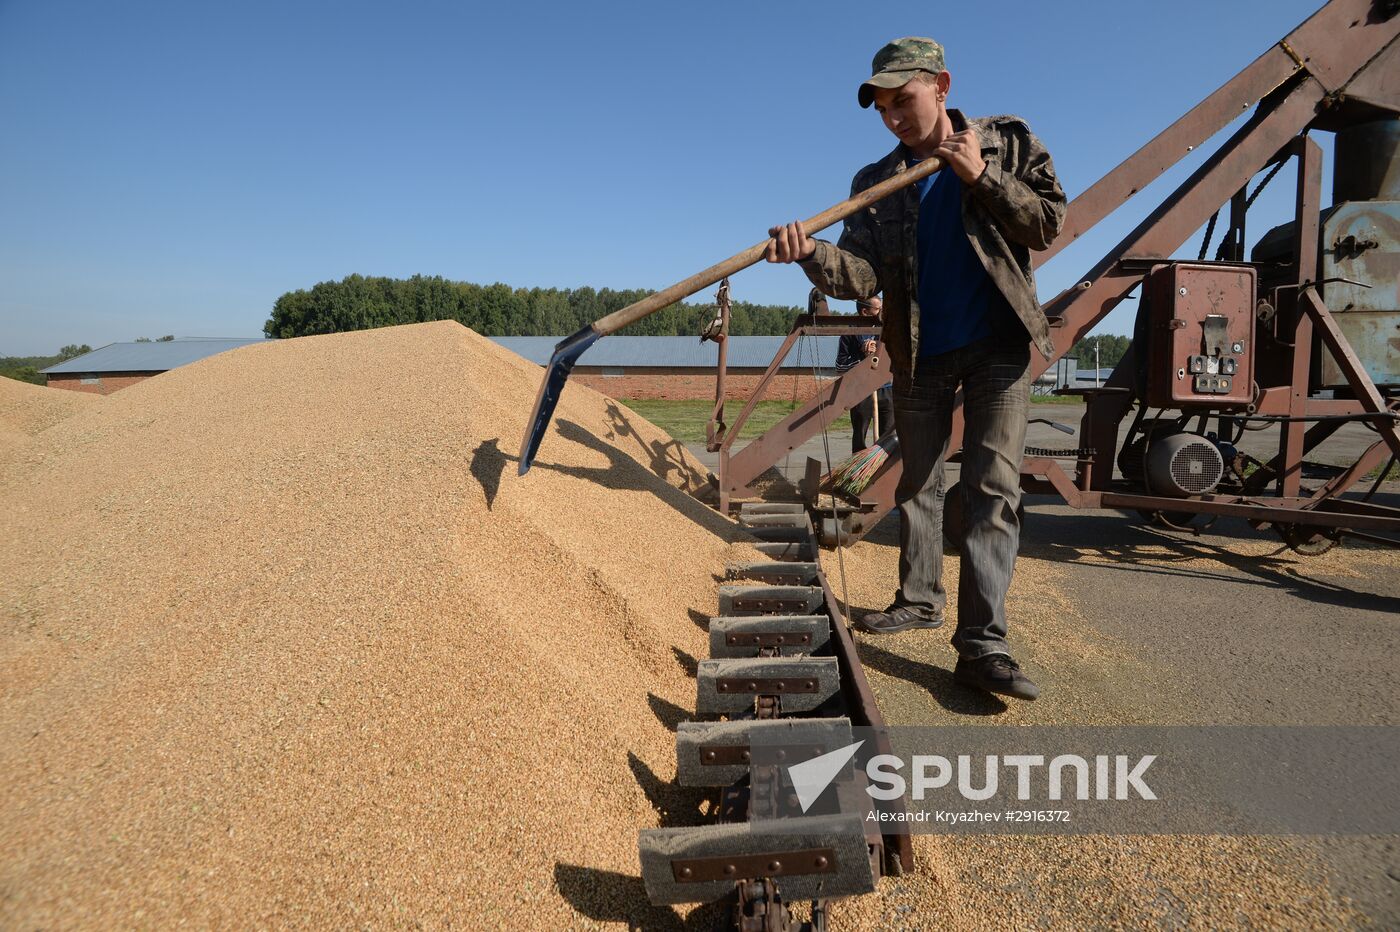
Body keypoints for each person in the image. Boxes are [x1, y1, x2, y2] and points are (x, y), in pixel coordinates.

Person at [765, 37, 1065, 701]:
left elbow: (1047, 224)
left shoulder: (1007, 145)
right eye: (882, 106)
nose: (894, 115)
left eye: (905, 99)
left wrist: (981, 179)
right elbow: (862, 275)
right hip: (918, 347)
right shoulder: (875, 183)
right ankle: (919, 599)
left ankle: (984, 647)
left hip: (997, 344)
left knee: (991, 491)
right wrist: (812, 253)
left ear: (943, 85)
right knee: (918, 485)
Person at [833, 294, 893, 455]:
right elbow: (840, 366)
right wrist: (863, 359)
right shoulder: (850, 333)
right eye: (878, 309)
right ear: (865, 312)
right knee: (859, 437)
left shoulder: (889, 330)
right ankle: (859, 474)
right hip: (861, 393)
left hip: (887, 390)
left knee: (888, 439)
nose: (882, 312)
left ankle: (883, 475)